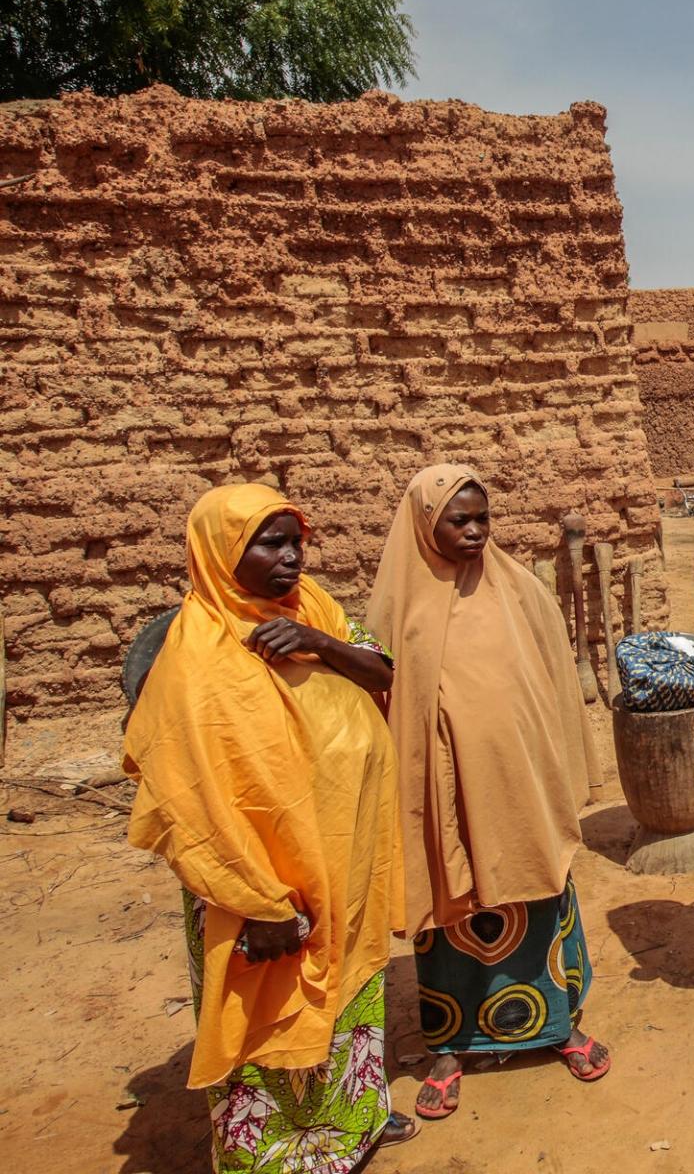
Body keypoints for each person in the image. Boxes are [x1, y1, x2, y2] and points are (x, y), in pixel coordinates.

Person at [122, 484, 415, 1173]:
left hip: (344, 859)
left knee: (349, 995)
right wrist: (259, 902)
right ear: (223, 552)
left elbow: (382, 670)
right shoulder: (194, 656)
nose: (292, 559)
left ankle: (356, 1121)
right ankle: (278, 1156)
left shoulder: (313, 608)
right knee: (269, 1015)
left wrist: (317, 642)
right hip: (262, 892)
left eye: (296, 542)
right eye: (271, 543)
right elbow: (190, 805)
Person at [366, 465, 610, 1120]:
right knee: (452, 905)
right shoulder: (396, 609)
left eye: (483, 519)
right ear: (425, 524)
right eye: (458, 520)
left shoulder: (520, 591)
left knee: (537, 891)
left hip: (517, 787)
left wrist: (556, 765)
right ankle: (450, 1047)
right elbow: (379, 699)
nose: (474, 532)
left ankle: (557, 1026)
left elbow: (555, 685)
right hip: (443, 795)